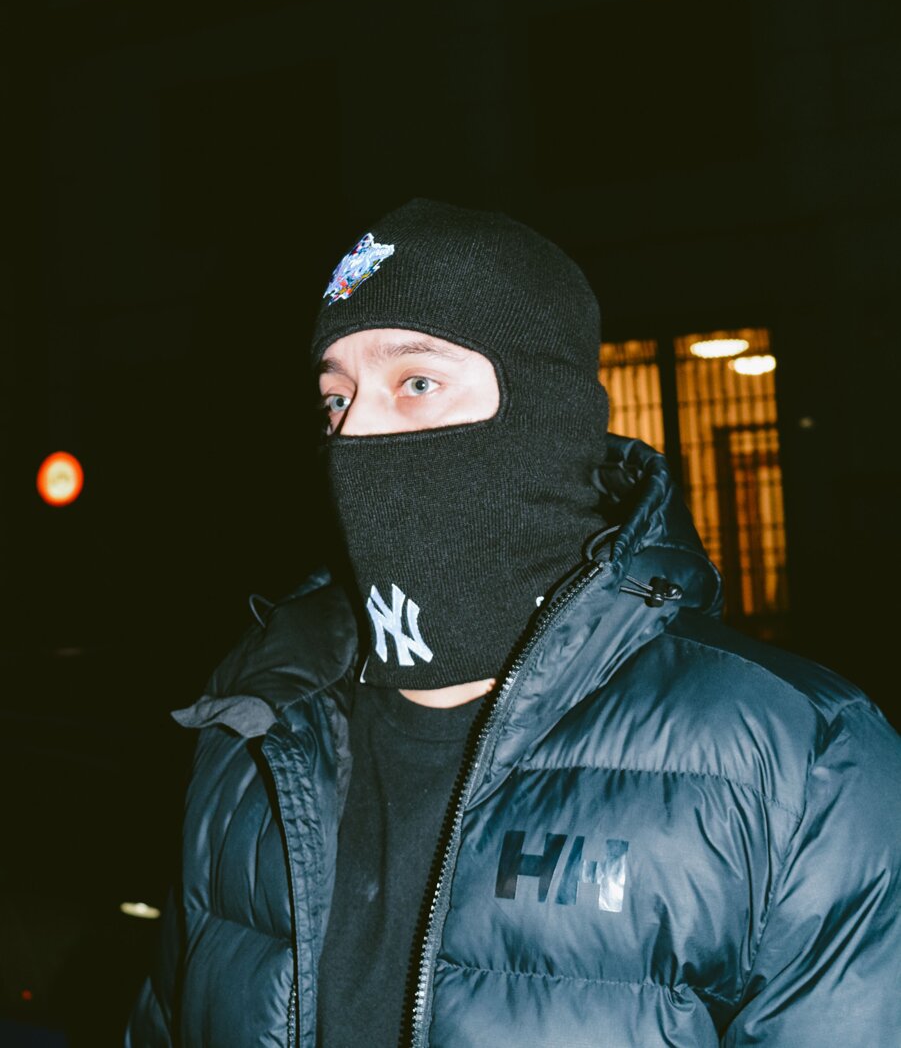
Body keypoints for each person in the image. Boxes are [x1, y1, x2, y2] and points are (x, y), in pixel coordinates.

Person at [127, 198, 901, 1048]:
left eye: (416, 383)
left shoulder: (797, 760)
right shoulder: (254, 724)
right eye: (334, 399)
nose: (355, 434)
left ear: (541, 413)